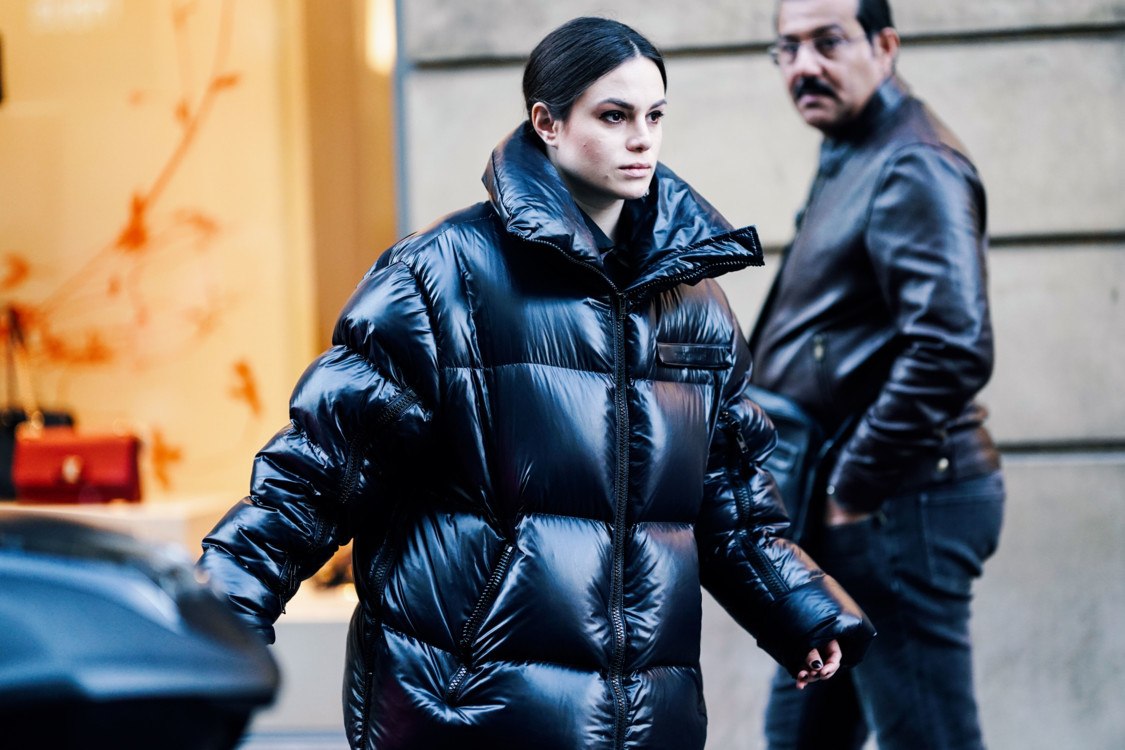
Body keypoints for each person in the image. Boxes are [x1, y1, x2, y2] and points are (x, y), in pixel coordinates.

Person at [199, 16, 874, 750]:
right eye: (613, 116)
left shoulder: (695, 304)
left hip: (644, 717)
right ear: (546, 123)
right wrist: (217, 616)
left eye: (653, 116)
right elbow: (318, 472)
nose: (641, 140)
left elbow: (729, 499)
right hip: (471, 709)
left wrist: (798, 608)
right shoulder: (443, 275)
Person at [750, 1, 1005, 749]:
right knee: (799, 736)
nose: (804, 65)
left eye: (827, 42)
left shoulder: (912, 162)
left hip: (896, 504)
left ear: (884, 45)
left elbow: (952, 347)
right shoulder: (855, 150)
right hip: (853, 510)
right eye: (788, 48)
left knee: (927, 737)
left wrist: (850, 491)